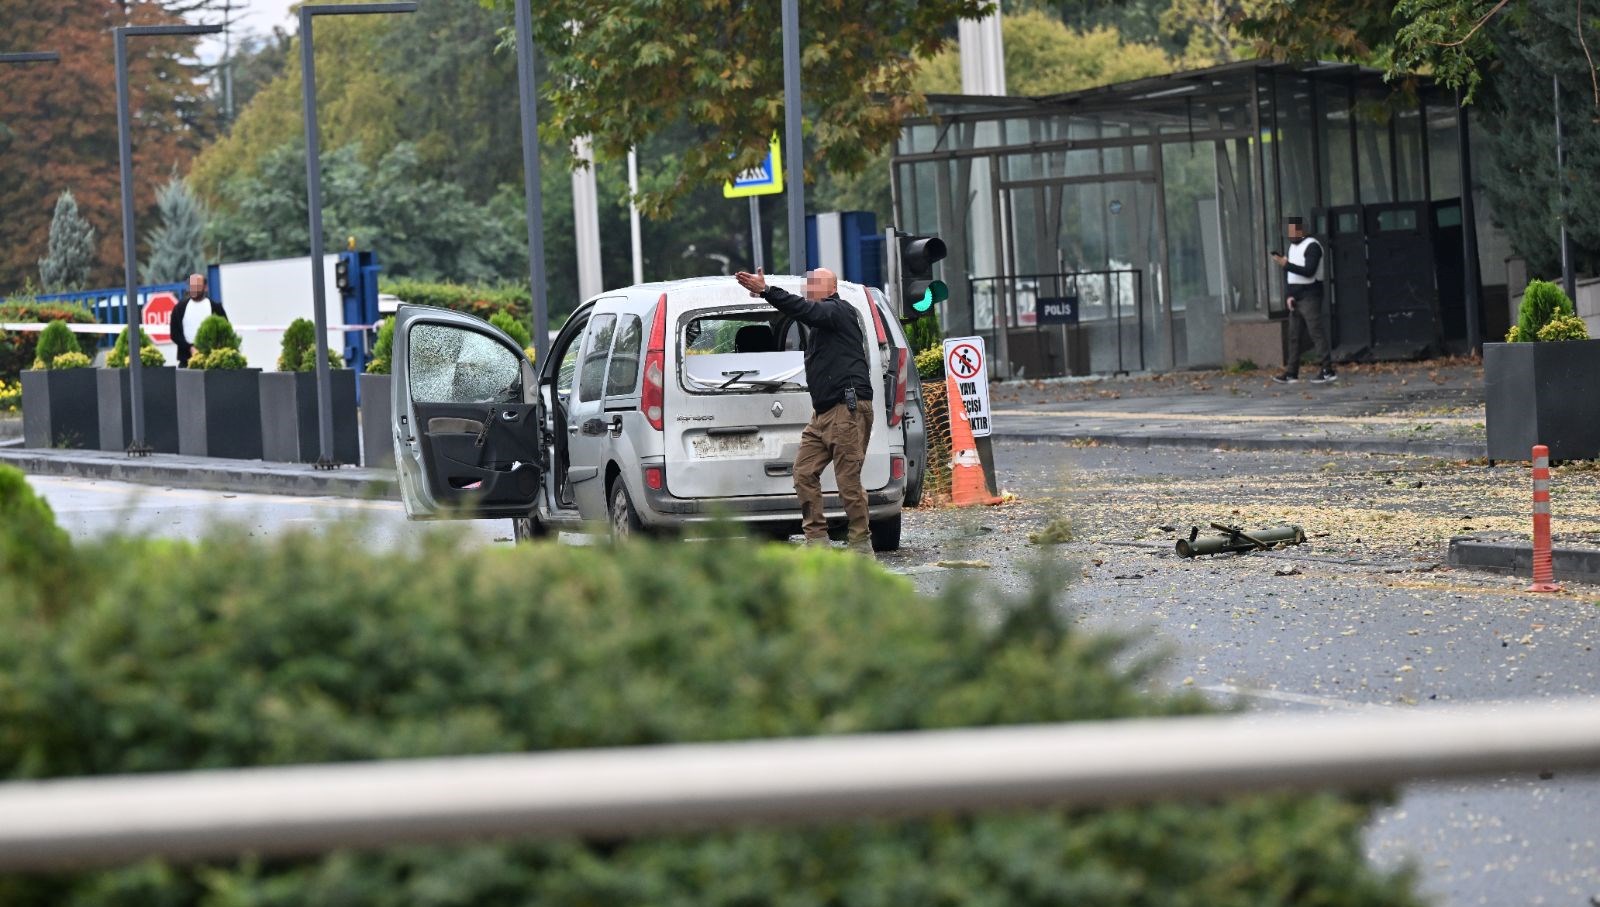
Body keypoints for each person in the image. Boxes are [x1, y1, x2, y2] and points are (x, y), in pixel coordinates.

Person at [732, 267, 876, 553]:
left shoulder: (838, 310)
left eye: (812, 283)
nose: (806, 287)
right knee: (803, 473)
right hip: (823, 413)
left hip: (845, 409)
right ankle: (817, 540)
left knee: (848, 480)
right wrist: (767, 296)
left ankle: (861, 543)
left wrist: (767, 290)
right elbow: (801, 310)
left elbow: (805, 310)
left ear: (829, 287)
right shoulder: (821, 321)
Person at [1271, 217, 1335, 384]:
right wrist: (1289, 295)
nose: (1291, 234)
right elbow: (1290, 275)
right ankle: (1292, 372)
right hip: (1296, 296)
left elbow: (1309, 271)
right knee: (1294, 336)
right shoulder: (1293, 247)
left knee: (1316, 331)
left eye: (1294, 230)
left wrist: (1286, 264)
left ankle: (1327, 368)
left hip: (1310, 294)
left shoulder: (1312, 245)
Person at [170, 273, 230, 368]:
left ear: (205, 287)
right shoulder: (179, 308)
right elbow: (175, 334)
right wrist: (190, 348)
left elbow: (225, 331)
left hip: (212, 361)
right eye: (191, 286)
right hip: (186, 361)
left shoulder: (216, 307)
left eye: (197, 286)